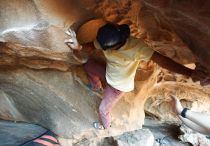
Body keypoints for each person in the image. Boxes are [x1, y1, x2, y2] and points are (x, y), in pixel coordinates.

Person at [65, 23, 194, 130]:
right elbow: (92, 47)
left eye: (109, 48)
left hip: (118, 86)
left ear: (121, 42)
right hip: (109, 73)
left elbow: (162, 60)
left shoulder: (137, 47)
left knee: (103, 110)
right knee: (88, 65)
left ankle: (105, 126)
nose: (105, 50)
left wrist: (190, 73)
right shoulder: (107, 40)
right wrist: (79, 46)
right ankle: (96, 86)